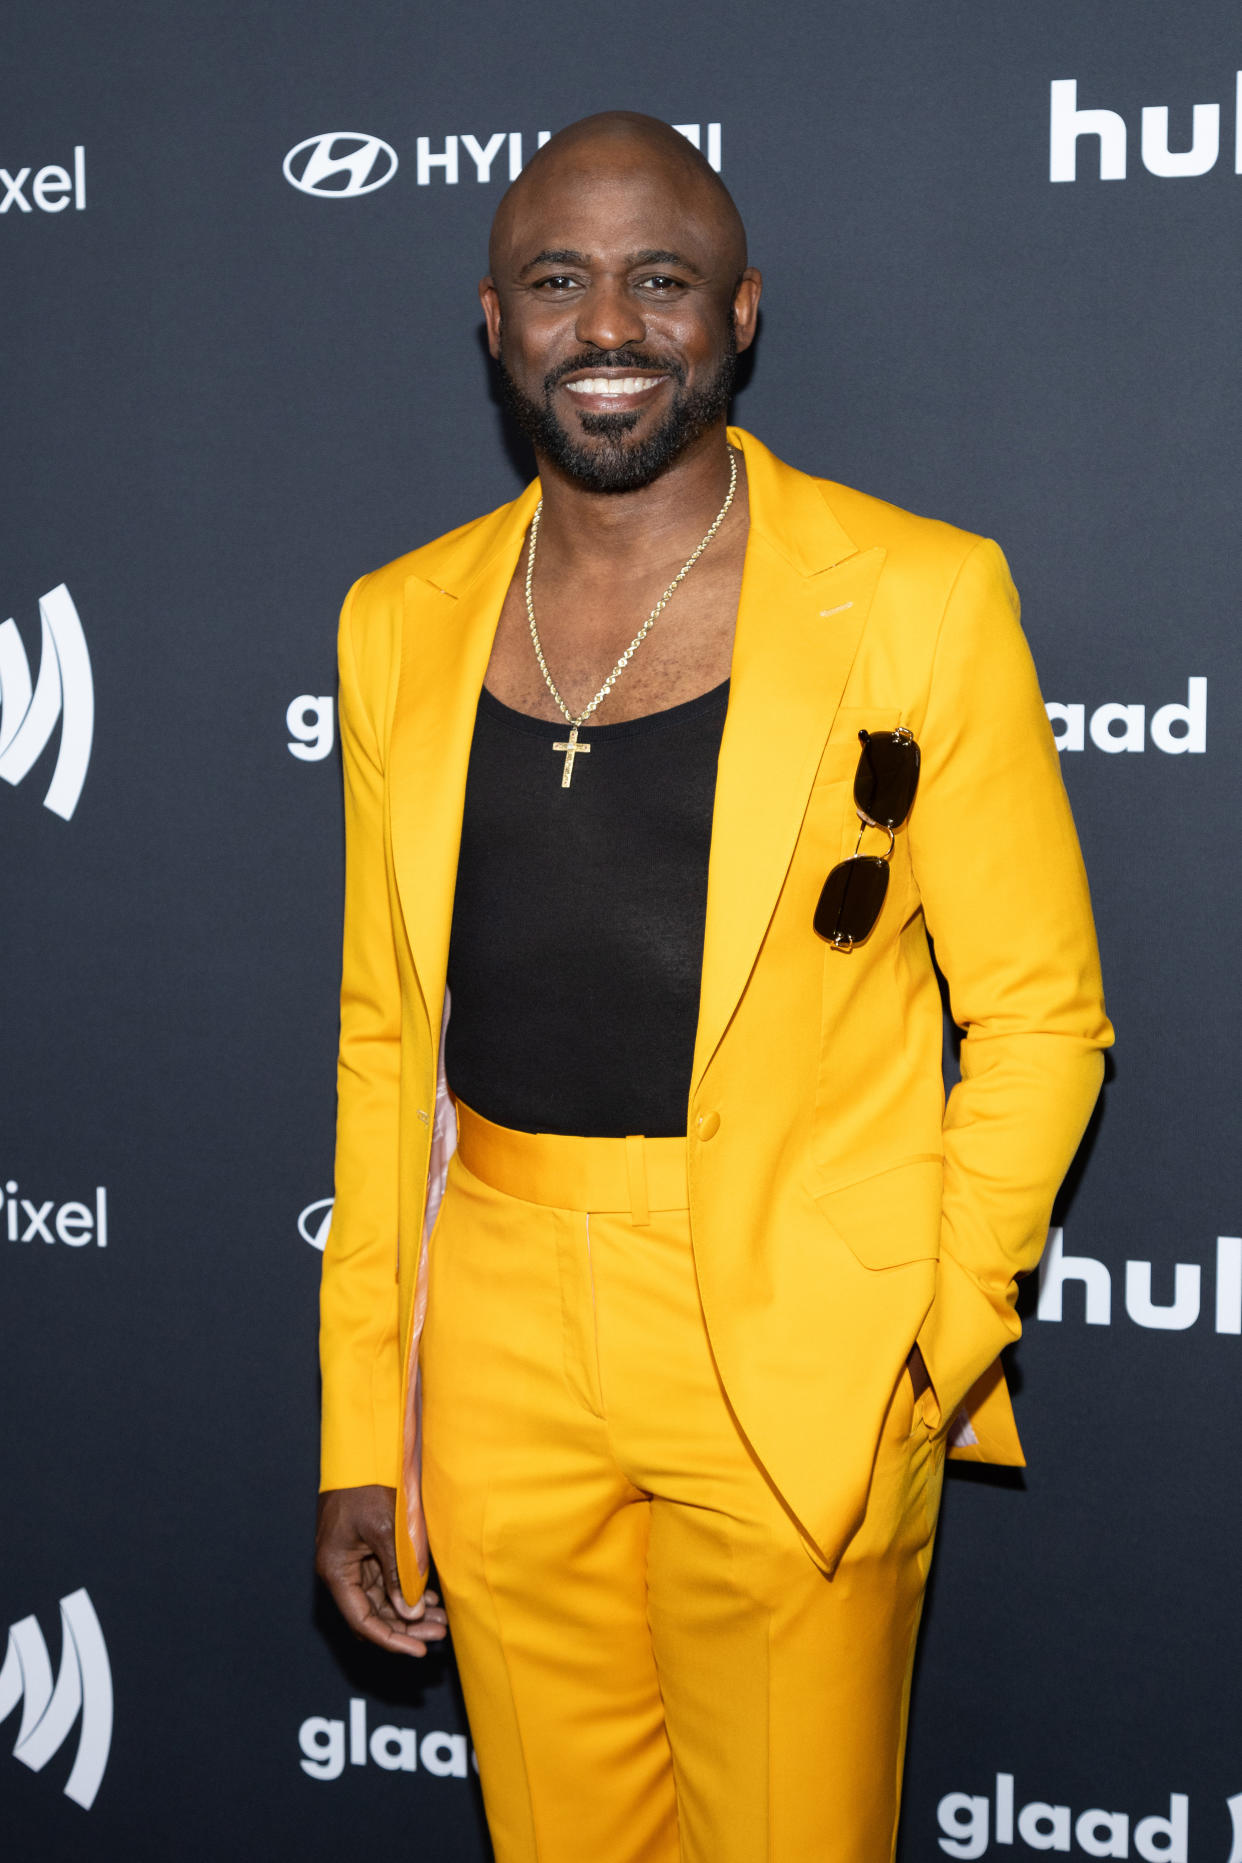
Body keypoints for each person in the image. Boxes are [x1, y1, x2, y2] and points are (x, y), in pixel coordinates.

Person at [314, 111, 1111, 1863]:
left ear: (739, 314)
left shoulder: (917, 594)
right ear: (496, 320)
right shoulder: (400, 620)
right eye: (558, 281)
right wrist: (367, 1423)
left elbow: (1041, 1015)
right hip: (501, 1330)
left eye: (659, 280)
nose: (608, 324)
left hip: (798, 1331)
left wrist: (927, 1336)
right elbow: (391, 1047)